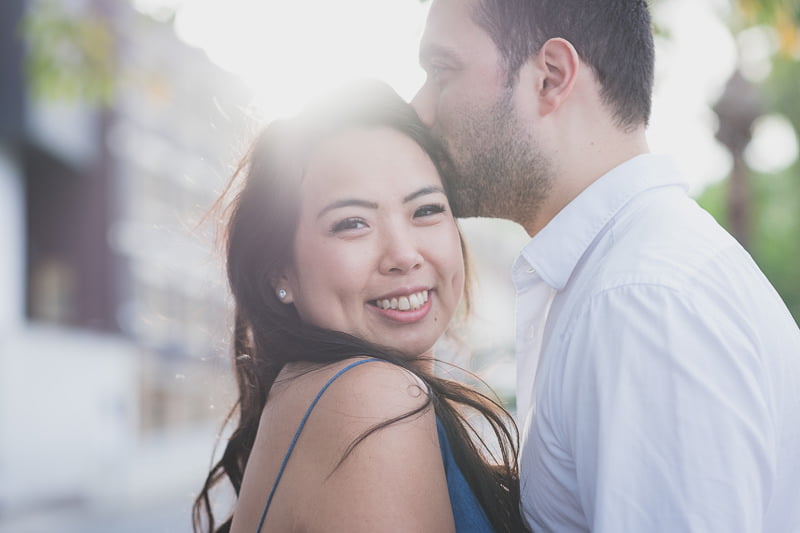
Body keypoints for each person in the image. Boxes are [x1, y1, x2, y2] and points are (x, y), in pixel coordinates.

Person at [413, 0, 800, 531]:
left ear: (550, 77)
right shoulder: (623, 274)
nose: (421, 108)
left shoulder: (639, 300)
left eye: (441, 71)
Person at [192, 80, 529, 533]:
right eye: (352, 223)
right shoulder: (371, 400)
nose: (404, 254)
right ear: (279, 271)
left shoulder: (313, 391)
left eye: (426, 209)